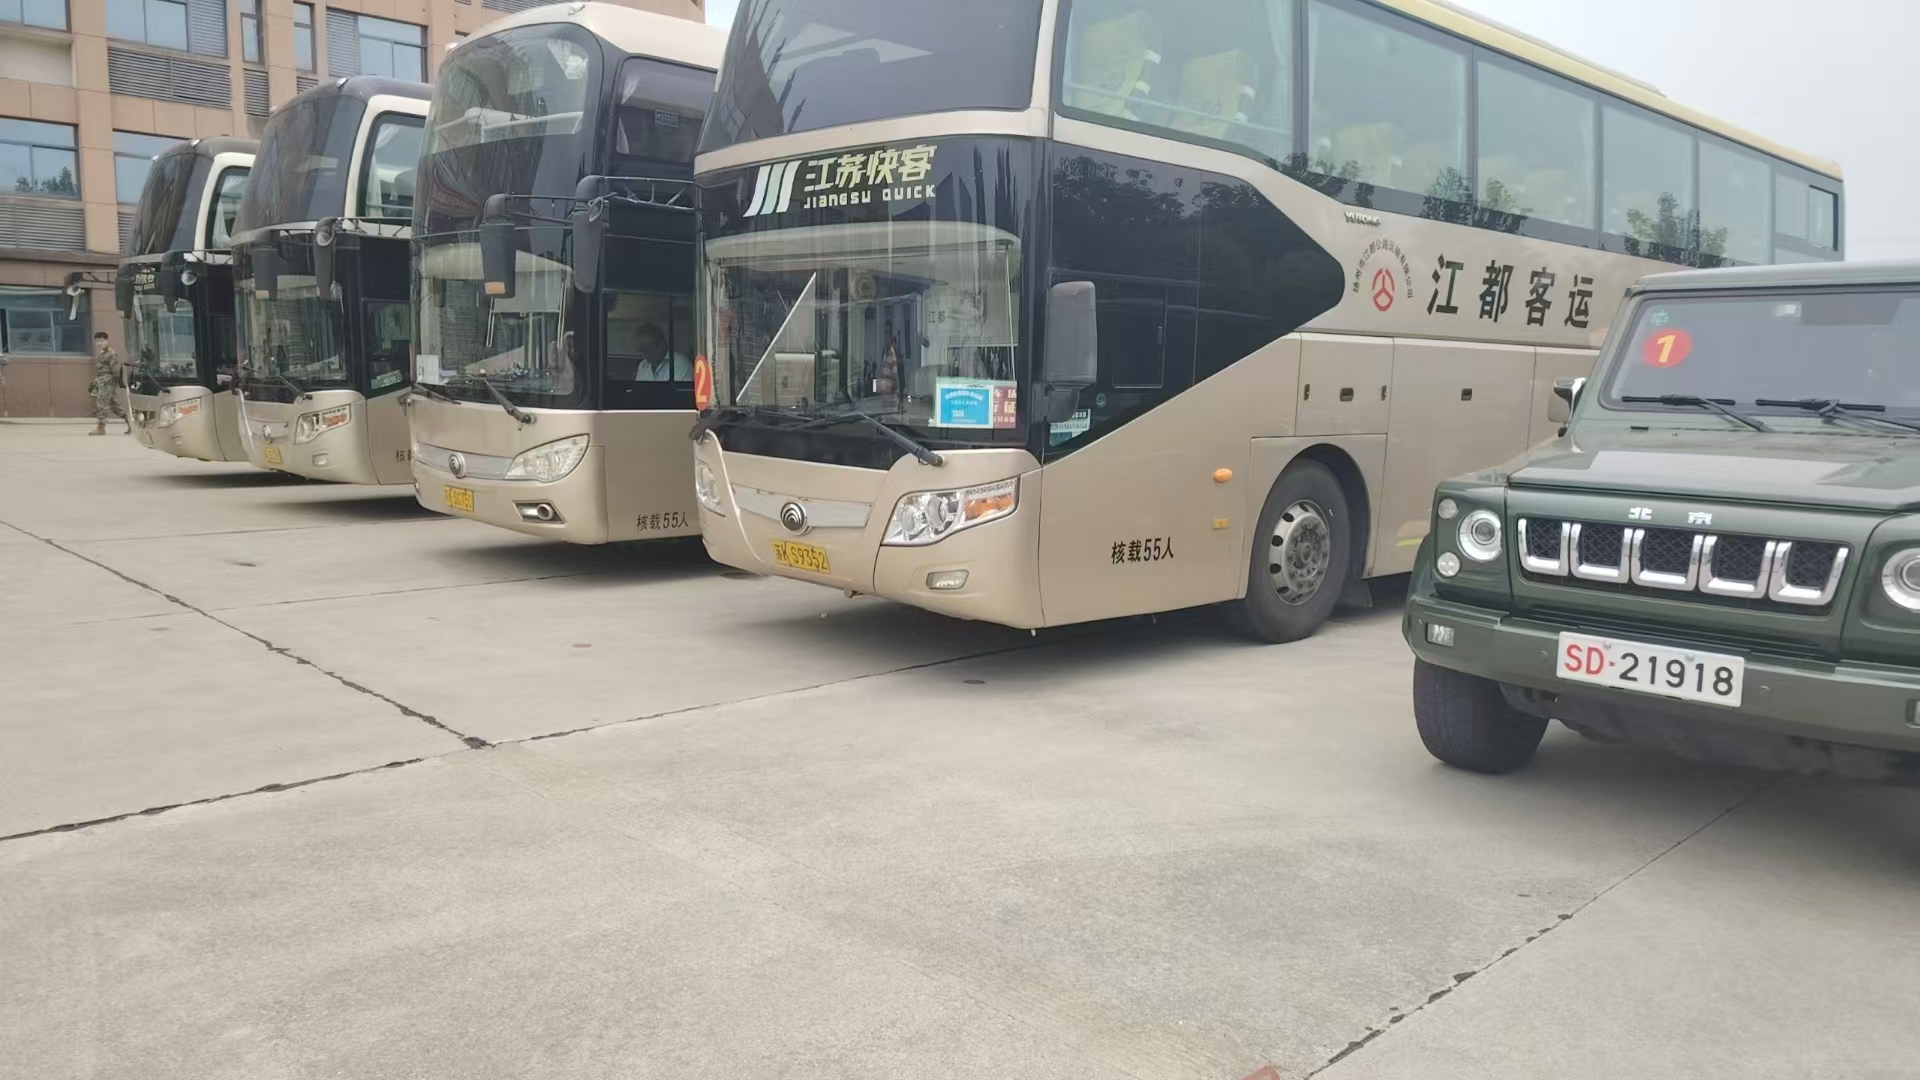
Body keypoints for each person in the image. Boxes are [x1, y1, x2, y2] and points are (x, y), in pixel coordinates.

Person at [90, 331, 128, 436]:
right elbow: (100, 370)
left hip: (107, 383)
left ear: (107, 340)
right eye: (97, 341)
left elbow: (116, 371)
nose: (99, 343)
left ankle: (101, 428)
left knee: (101, 404)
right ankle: (130, 422)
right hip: (102, 381)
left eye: (102, 341)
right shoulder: (101, 353)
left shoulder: (111, 354)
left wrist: (113, 384)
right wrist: (95, 382)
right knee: (115, 405)